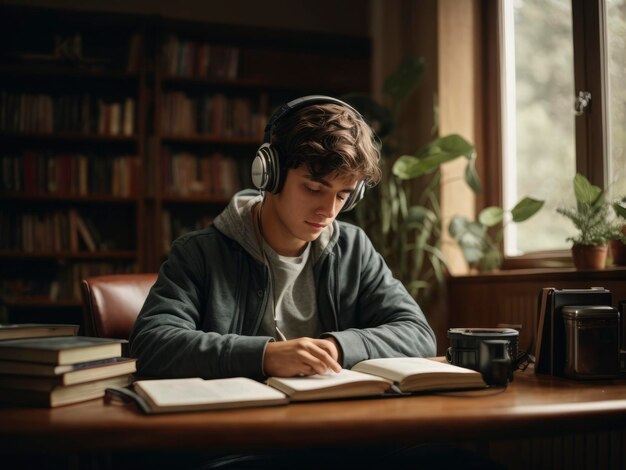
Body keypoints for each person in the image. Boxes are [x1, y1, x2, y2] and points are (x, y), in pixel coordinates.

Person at [129, 95, 436, 381]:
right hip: (239, 428)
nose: (328, 211)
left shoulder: (353, 249)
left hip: (333, 423)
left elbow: (417, 333)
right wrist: (264, 356)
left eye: (342, 195)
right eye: (313, 189)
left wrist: (337, 347)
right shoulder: (199, 253)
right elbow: (152, 344)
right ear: (269, 174)